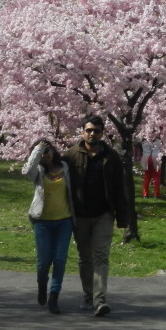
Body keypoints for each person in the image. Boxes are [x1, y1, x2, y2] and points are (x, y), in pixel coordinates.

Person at [63, 114, 128, 317]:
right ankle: (88, 295)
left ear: (102, 133)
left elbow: (120, 188)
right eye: (89, 130)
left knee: (101, 256)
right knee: (85, 258)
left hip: (103, 214)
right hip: (80, 215)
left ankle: (100, 300)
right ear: (82, 131)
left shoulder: (112, 157)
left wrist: (123, 217)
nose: (92, 134)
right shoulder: (71, 155)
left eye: (97, 131)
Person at [22, 139, 74, 314]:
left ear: (54, 151)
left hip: (64, 221)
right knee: (44, 262)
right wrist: (38, 149)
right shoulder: (37, 171)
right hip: (42, 222)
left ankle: (54, 296)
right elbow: (27, 170)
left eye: (48, 150)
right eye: (42, 152)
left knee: (59, 260)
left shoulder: (65, 167)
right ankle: (42, 284)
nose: (45, 154)